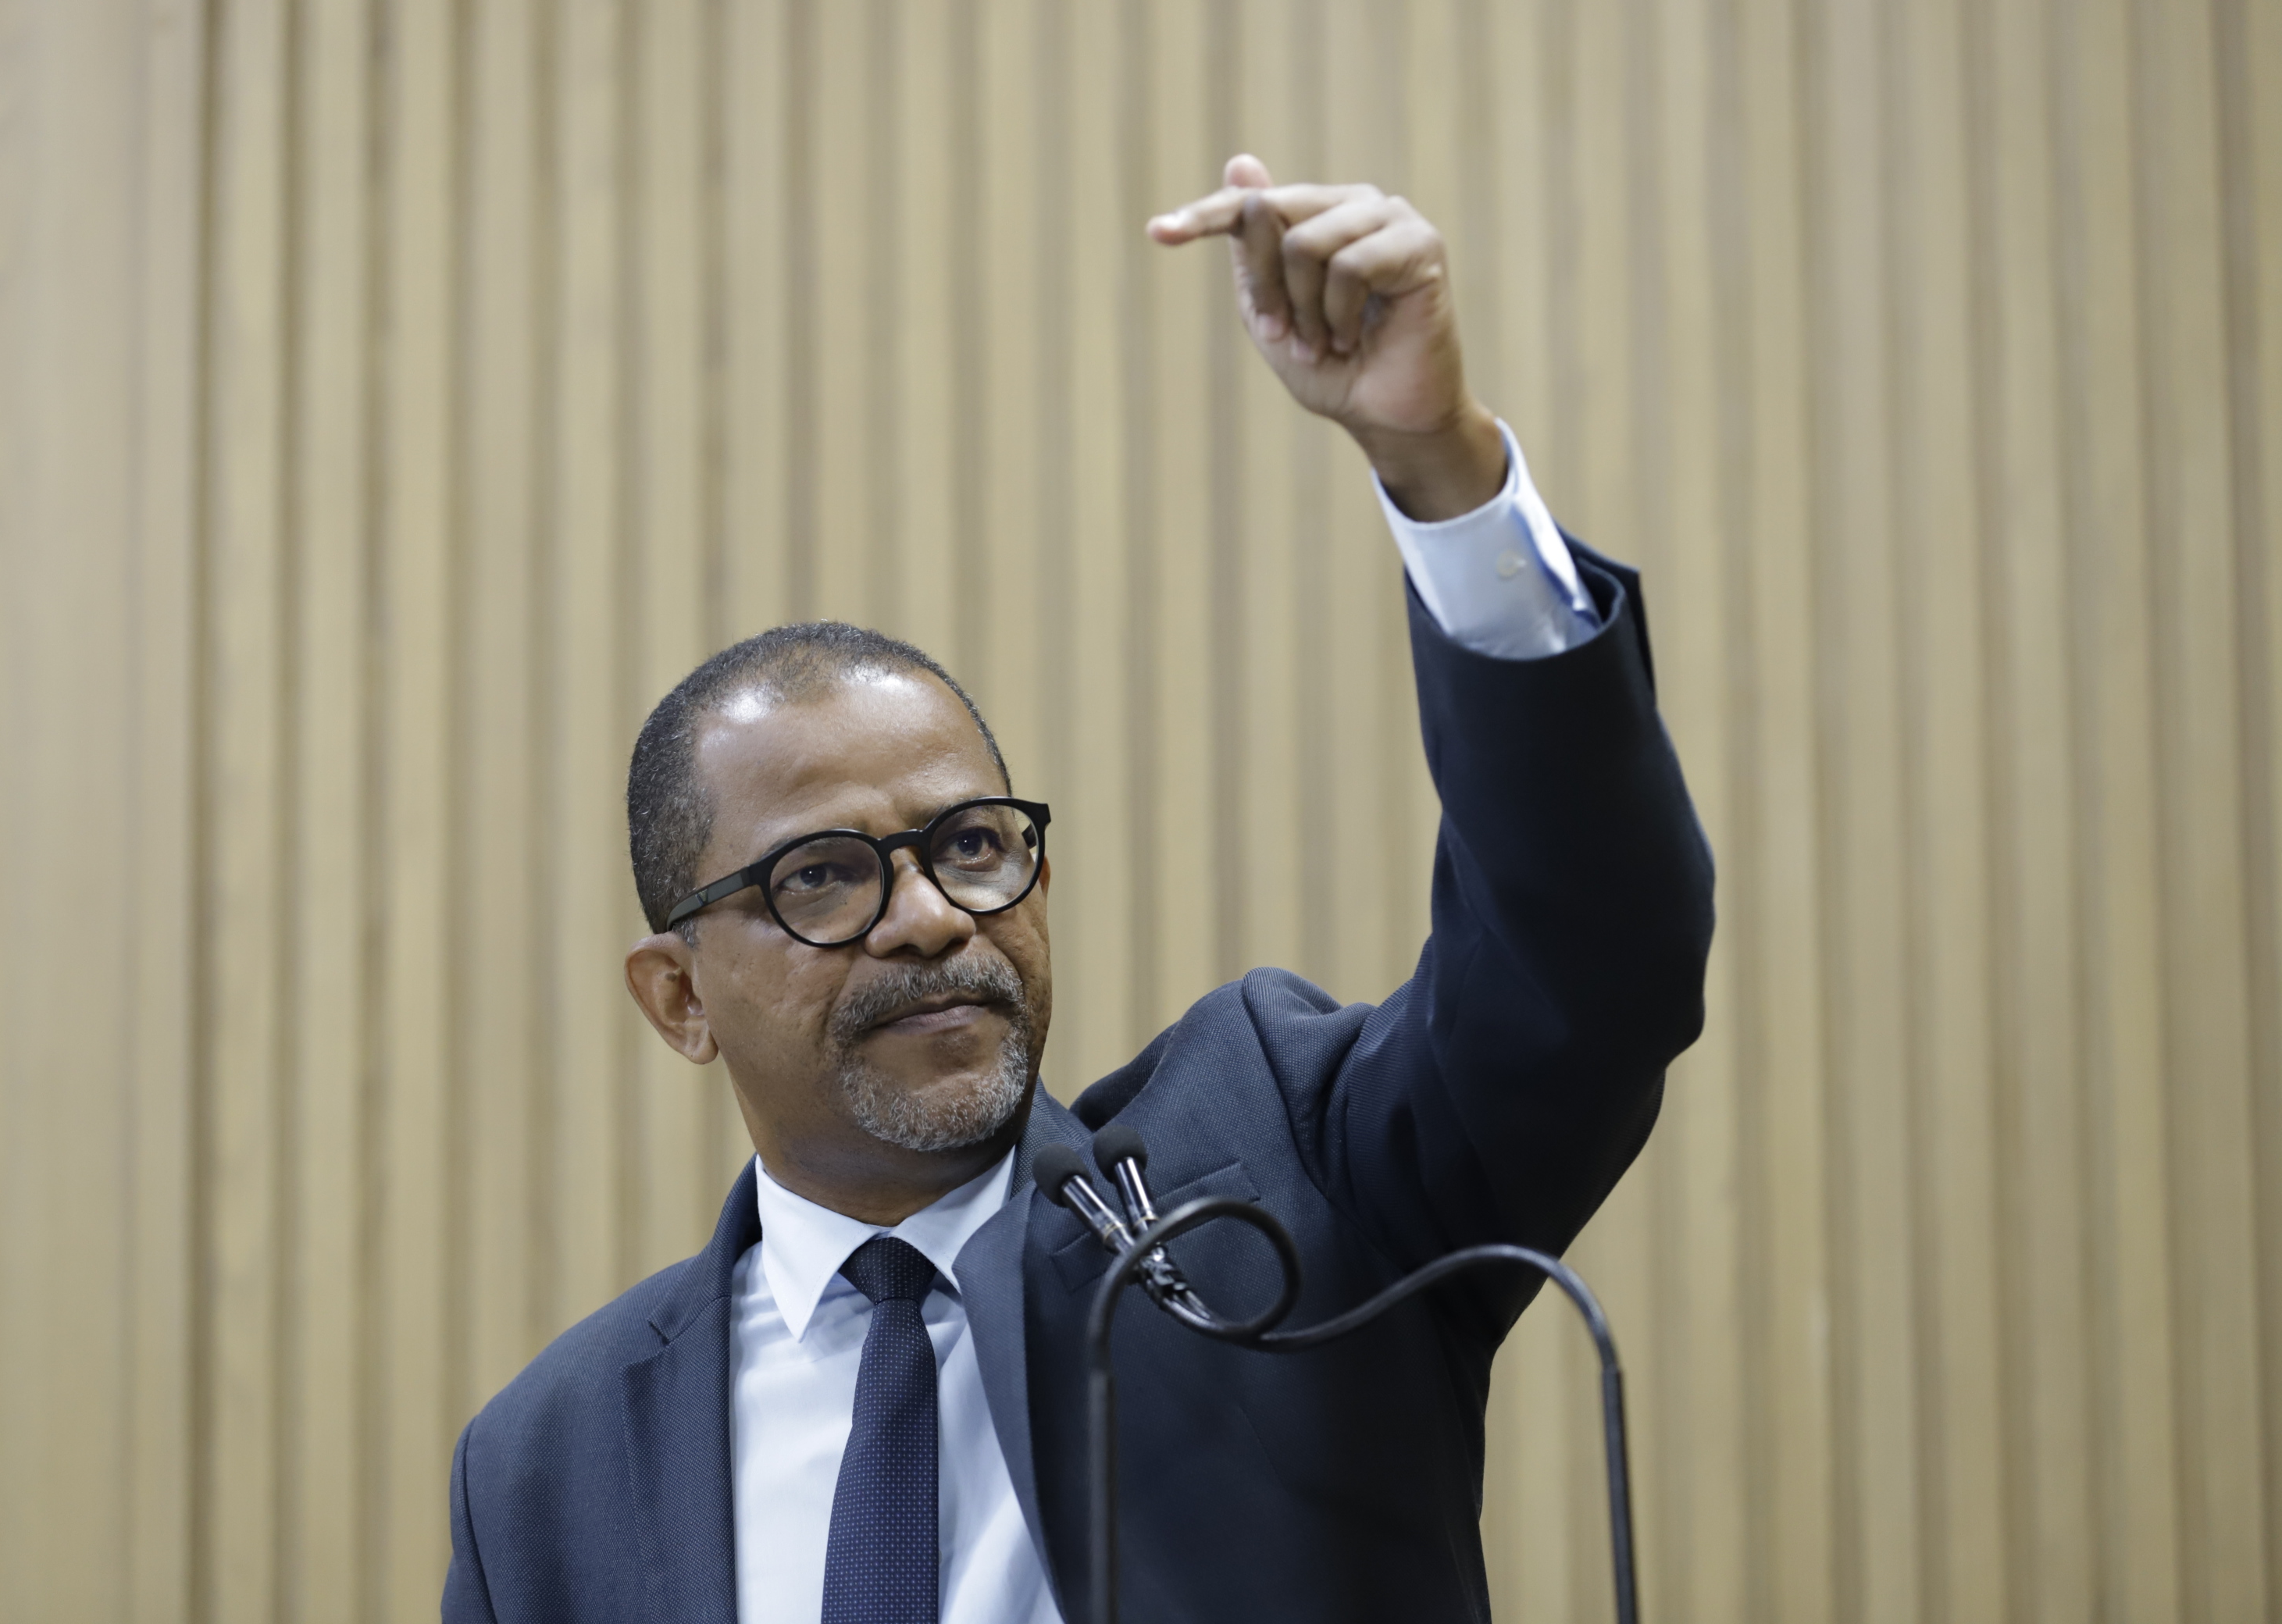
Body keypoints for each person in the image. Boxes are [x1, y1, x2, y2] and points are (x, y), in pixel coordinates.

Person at [442, 154, 1713, 1624]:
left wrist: (1443, 473)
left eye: (972, 845)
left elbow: (1589, 969)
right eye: (825, 878)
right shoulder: (545, 1469)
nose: (933, 917)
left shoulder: (1290, 1180)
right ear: (679, 999)